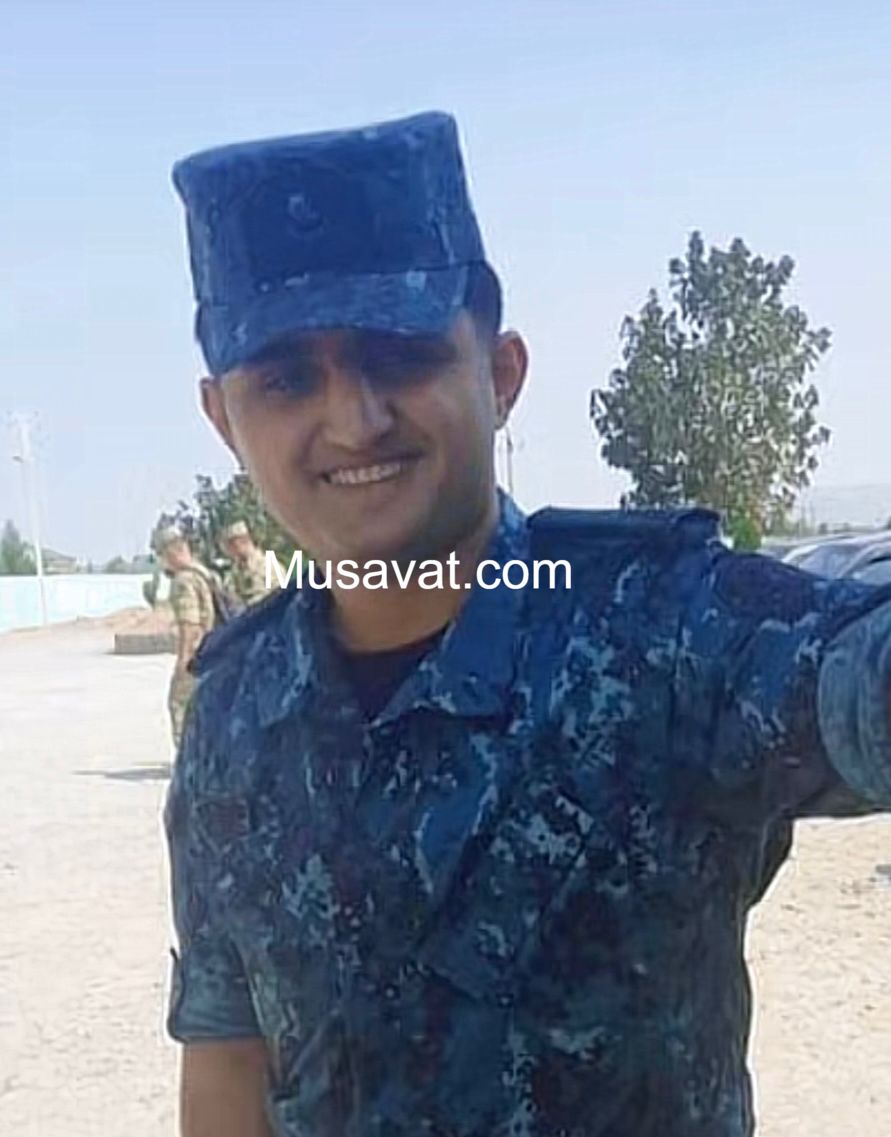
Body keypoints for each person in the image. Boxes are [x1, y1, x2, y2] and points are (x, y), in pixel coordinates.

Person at [164, 112, 891, 1137]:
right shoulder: (234, 712)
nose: (354, 420)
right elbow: (230, 1057)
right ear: (222, 418)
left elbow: (859, 673)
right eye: (286, 379)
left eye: (399, 355)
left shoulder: (660, 631)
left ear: (499, 374)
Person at [152, 526, 218, 748]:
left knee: (179, 705)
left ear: (171, 551)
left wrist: (183, 663)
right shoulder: (205, 574)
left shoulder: (183, 581)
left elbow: (190, 625)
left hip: (197, 656)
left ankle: (186, 756)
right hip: (216, 652)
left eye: (161, 554)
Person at [219, 519, 271, 606]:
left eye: (232, 544)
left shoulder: (268, 565)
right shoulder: (234, 572)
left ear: (245, 541)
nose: (229, 550)